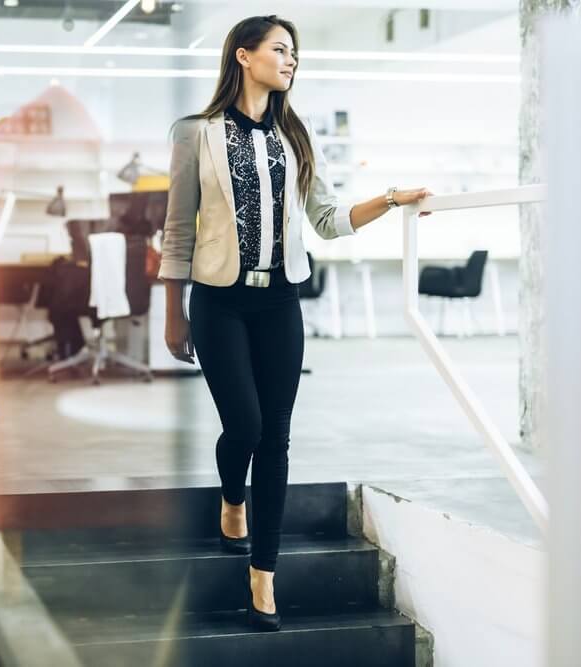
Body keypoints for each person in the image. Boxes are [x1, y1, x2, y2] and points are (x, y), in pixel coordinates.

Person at [157, 15, 432, 632]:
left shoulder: (293, 136)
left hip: (280, 302)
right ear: (244, 56)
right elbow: (178, 230)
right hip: (219, 301)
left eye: (295, 53)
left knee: (276, 438)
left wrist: (389, 201)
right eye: (280, 50)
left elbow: (329, 219)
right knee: (246, 426)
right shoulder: (195, 134)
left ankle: (263, 577)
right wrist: (173, 313)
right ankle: (233, 497)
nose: (291, 61)